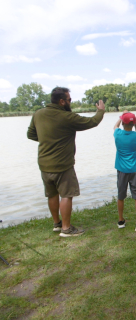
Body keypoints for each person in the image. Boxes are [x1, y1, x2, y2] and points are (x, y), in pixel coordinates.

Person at [27, 87, 105, 237]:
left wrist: (47, 139)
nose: (71, 102)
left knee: (52, 194)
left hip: (44, 163)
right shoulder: (66, 117)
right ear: (62, 101)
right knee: (66, 195)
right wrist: (100, 111)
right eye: (69, 100)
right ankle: (66, 229)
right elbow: (92, 121)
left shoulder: (38, 114)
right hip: (62, 164)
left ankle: (57, 224)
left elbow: (30, 134)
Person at [113, 111, 136, 232]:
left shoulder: (117, 134)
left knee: (121, 196)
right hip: (135, 169)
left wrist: (121, 118)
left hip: (121, 170)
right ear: (132, 123)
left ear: (123, 123)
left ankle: (121, 221)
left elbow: (115, 126)